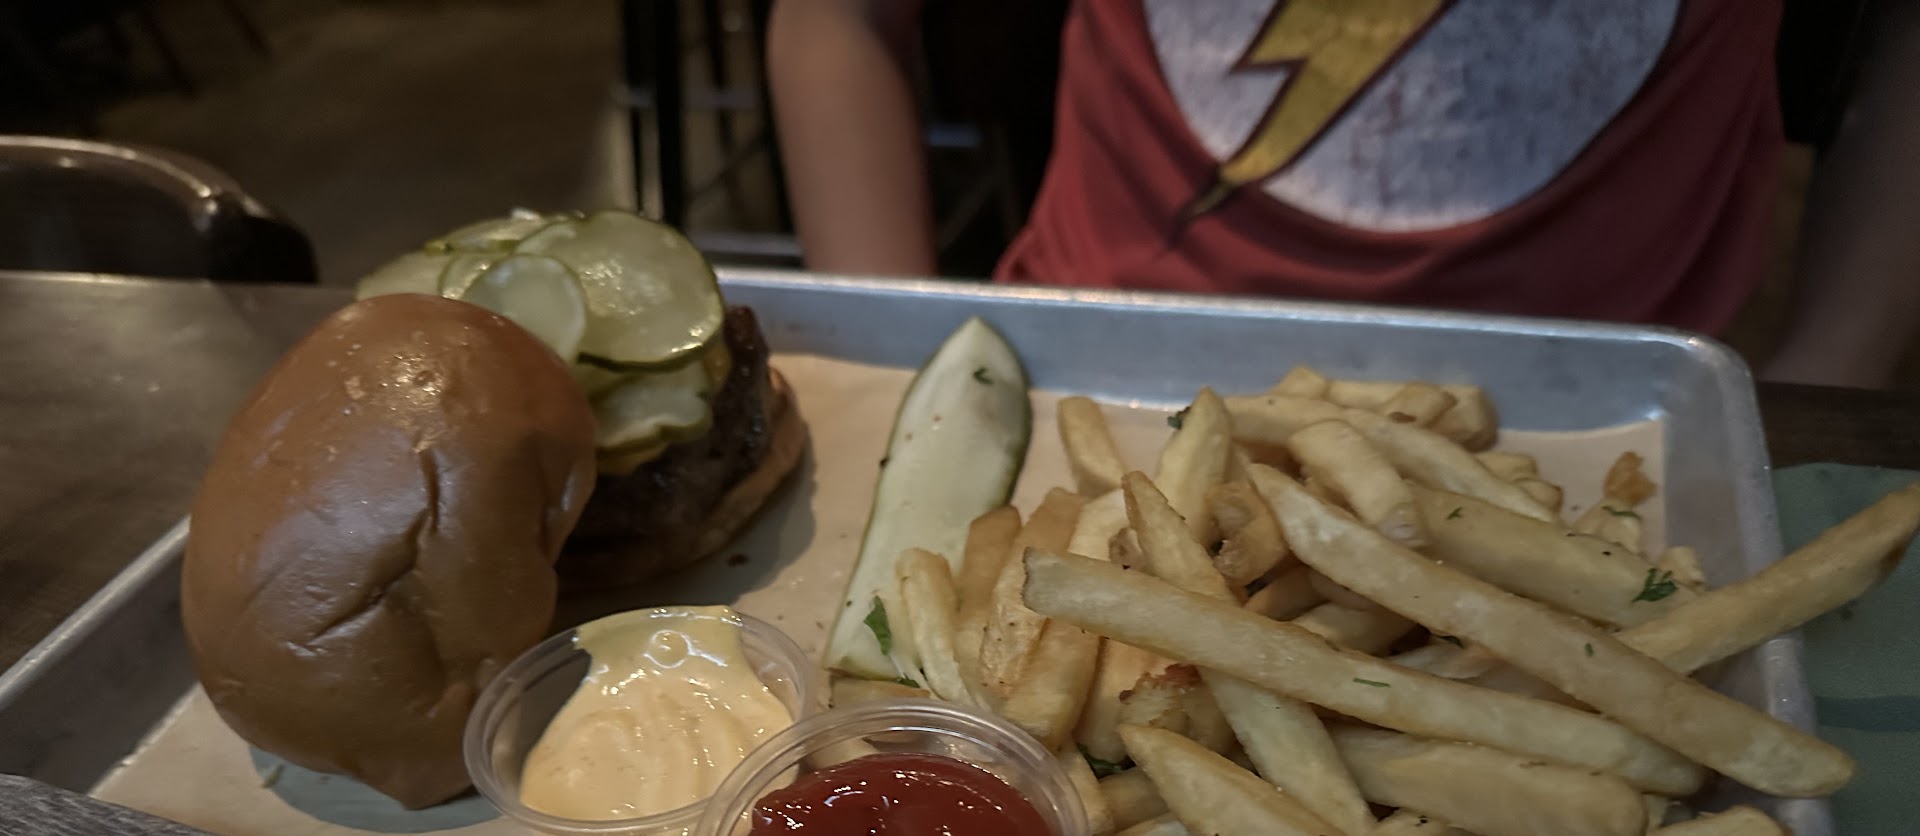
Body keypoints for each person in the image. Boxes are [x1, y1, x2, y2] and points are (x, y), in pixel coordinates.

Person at [767, 0, 1920, 387]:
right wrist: (901, 372)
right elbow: (841, 18)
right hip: (1088, 365)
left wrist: (1833, 375)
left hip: (1611, 406)